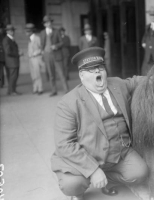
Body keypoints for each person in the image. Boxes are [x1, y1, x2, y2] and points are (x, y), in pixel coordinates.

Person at [51, 47, 148, 200]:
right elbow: (64, 144)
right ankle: (81, 188)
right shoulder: (68, 103)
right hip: (89, 154)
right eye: (91, 70)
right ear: (82, 76)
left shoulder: (117, 84)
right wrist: (93, 170)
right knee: (71, 185)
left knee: (140, 173)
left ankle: (106, 180)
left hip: (119, 153)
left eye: (100, 68)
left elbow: (136, 82)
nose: (98, 73)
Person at [40, 15, 69, 97]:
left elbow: (61, 42)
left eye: (49, 22)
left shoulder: (56, 31)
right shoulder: (42, 33)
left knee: (61, 73)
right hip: (47, 55)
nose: (48, 24)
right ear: (44, 24)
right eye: (46, 23)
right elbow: (42, 44)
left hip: (56, 54)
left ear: (51, 23)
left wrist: (55, 46)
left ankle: (66, 89)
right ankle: (54, 90)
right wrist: (42, 52)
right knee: (51, 74)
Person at [2, 24, 23, 95]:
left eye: (13, 30)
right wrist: (18, 54)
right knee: (12, 77)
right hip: (11, 62)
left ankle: (11, 90)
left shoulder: (10, 39)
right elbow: (8, 52)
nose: (12, 32)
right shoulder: (6, 40)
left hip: (13, 61)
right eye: (10, 31)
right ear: (7, 31)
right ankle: (12, 91)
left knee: (13, 77)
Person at [25, 23, 44, 95]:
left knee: (37, 74)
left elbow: (41, 48)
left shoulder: (37, 38)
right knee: (33, 74)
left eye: (27, 31)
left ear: (31, 31)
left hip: (36, 58)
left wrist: (35, 53)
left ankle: (40, 89)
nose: (26, 32)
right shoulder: (29, 39)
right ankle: (35, 88)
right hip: (31, 59)